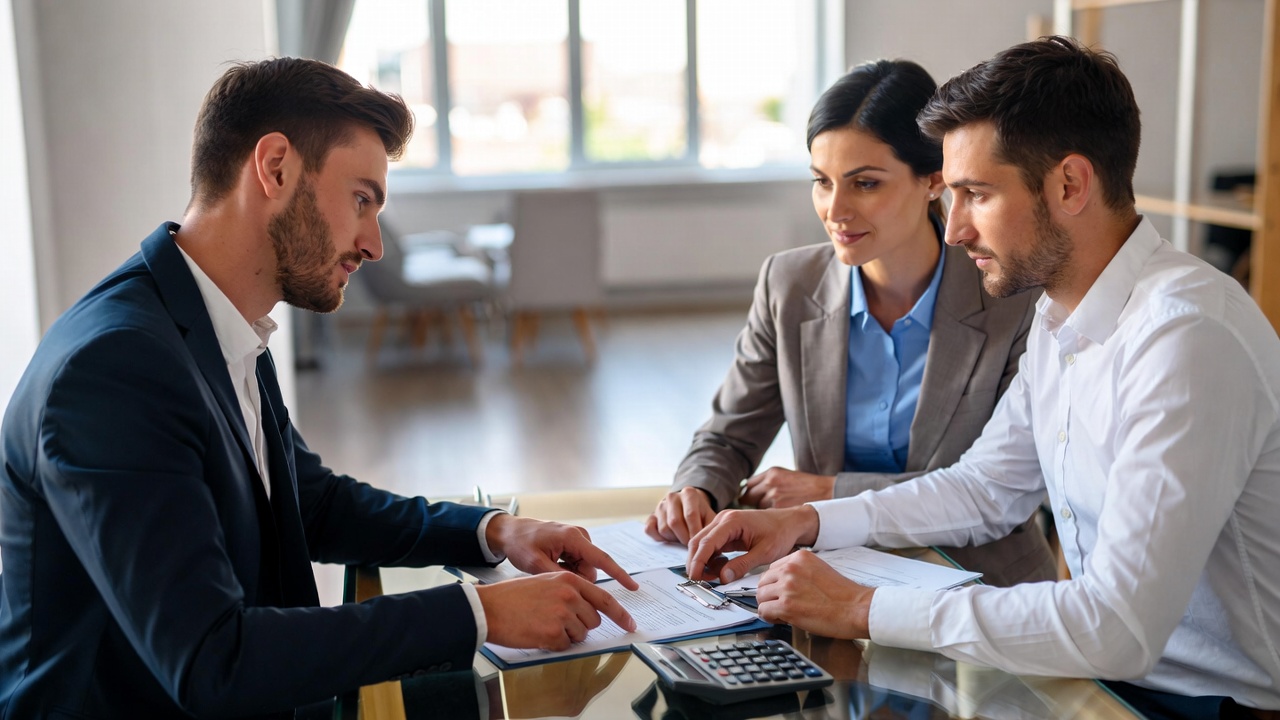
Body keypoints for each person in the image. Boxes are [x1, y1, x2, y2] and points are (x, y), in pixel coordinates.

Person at [0, 57, 639, 719]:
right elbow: (213, 663)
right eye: (361, 199)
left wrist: (493, 532)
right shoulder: (114, 370)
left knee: (519, 700)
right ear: (274, 168)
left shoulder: (211, 322)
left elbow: (312, 505)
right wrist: (477, 611)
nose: (374, 244)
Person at [685, 36, 1280, 717]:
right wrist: (809, 521)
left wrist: (864, 607)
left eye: (975, 194)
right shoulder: (1065, 314)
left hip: (1207, 702)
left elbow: (1115, 629)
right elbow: (988, 487)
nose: (957, 228)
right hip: (1103, 680)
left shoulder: (1185, 338)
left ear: (1070, 185)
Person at [645, 59, 1056, 588]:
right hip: (825, 577)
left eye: (864, 184)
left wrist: (829, 492)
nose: (835, 210)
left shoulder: (1012, 298)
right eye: (822, 182)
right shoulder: (788, 285)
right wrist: (697, 490)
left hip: (984, 584)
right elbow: (729, 437)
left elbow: (995, 483)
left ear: (933, 180)